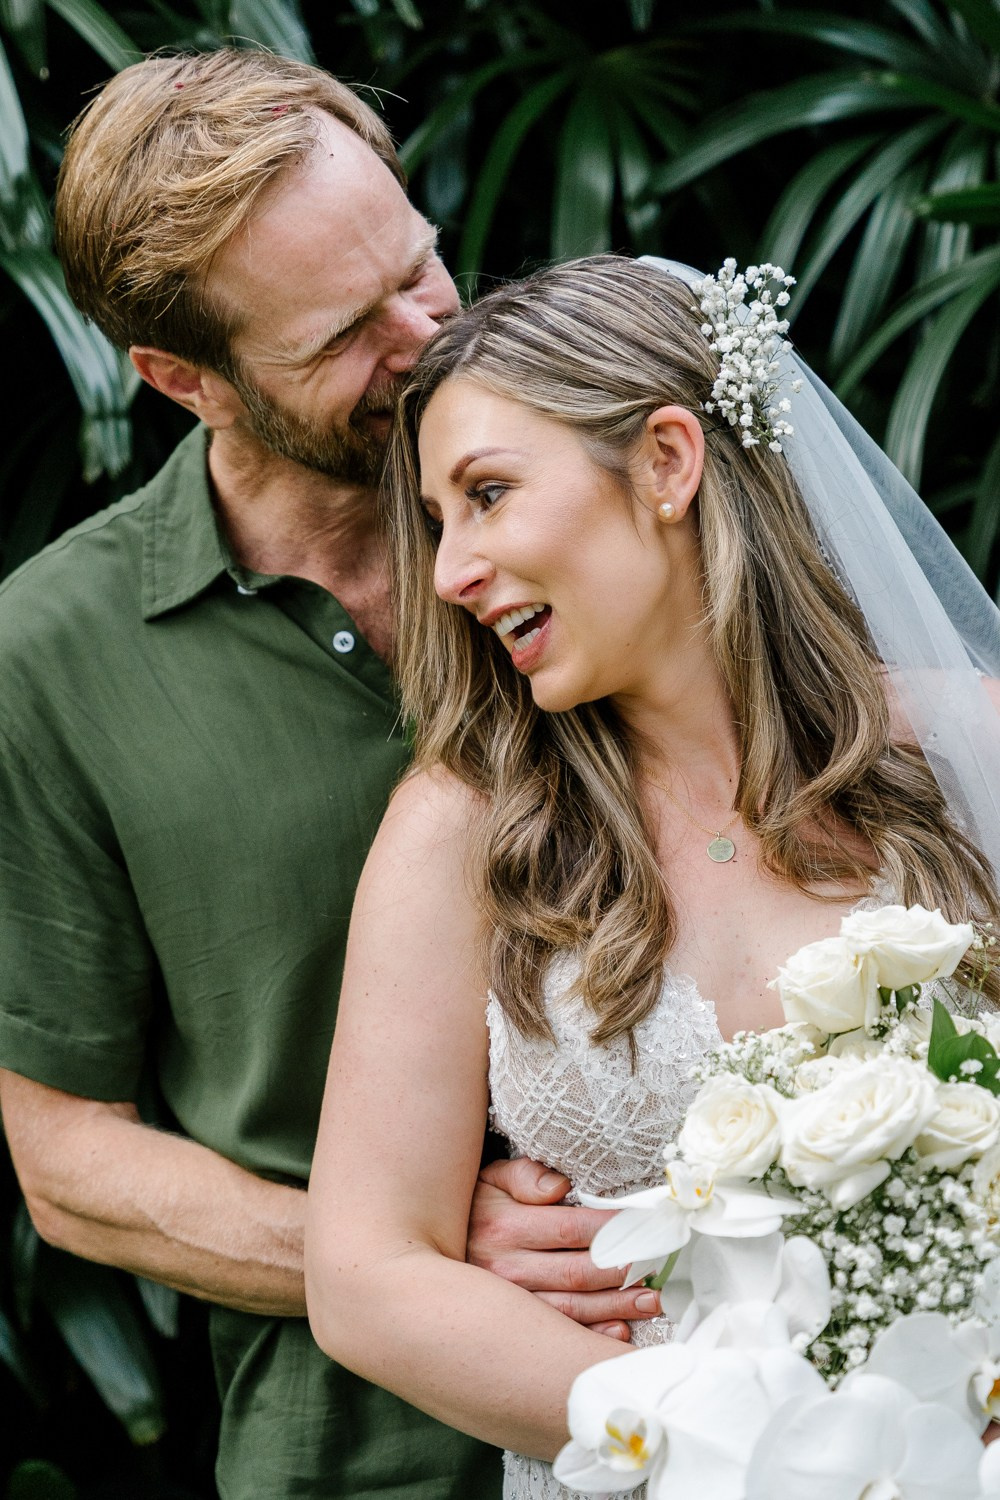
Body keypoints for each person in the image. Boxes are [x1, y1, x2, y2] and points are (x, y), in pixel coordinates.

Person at [0, 55, 659, 1500]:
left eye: (422, 265)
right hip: (365, 1463)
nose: (430, 337)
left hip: (760, 1414)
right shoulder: (50, 656)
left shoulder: (604, 502)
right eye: (346, 333)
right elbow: (64, 1157)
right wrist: (405, 1259)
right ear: (185, 383)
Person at [303, 254, 1000, 1499]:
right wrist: (713, 1445)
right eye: (438, 521)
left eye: (489, 493)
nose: (452, 572)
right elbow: (364, 1277)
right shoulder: (457, 837)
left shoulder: (968, 749)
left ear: (669, 462)